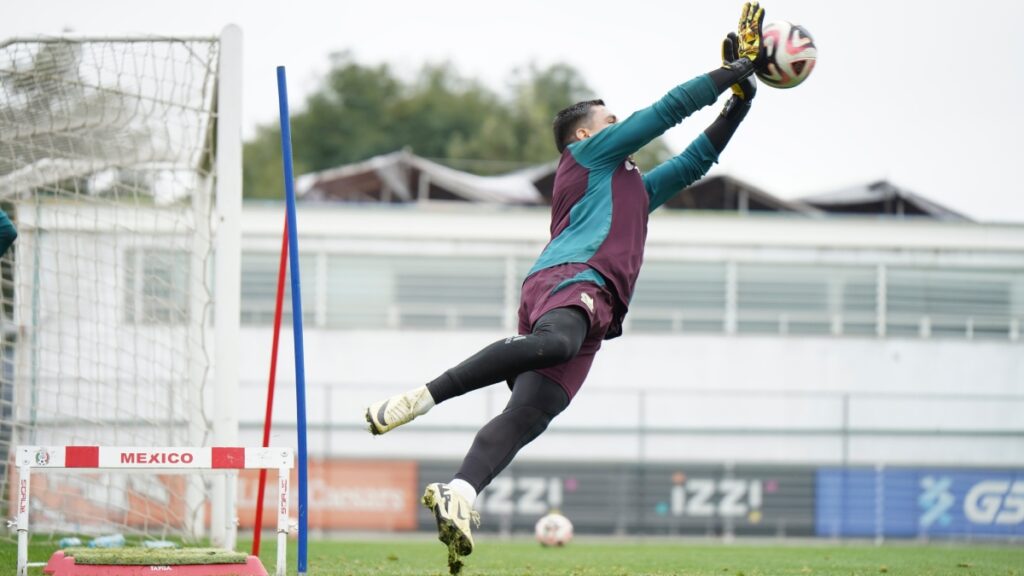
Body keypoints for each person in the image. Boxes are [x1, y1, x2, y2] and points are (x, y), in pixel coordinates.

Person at [365, 2, 767, 567]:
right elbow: (668, 111)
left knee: (531, 414)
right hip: (568, 278)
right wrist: (732, 70)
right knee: (554, 346)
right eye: (610, 119)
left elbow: (698, 158)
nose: (618, 124)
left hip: (595, 308)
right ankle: (424, 396)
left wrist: (740, 101)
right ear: (583, 134)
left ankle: (459, 492)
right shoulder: (587, 155)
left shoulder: (633, 187)